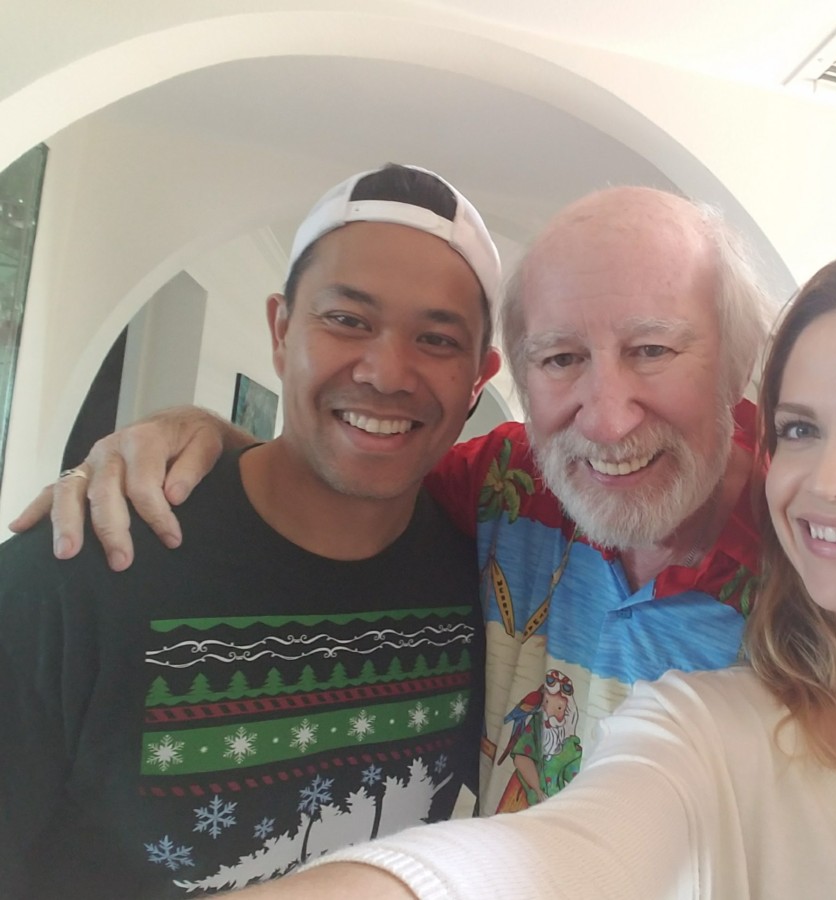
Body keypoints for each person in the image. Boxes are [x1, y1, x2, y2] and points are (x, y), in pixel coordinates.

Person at [232, 252, 836, 899]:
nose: (830, 478)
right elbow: (543, 859)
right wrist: (217, 464)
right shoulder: (706, 721)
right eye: (801, 429)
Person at [14, 186, 777, 817]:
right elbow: (351, 476)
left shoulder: (809, 555)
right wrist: (200, 439)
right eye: (560, 357)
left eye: (653, 349)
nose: (607, 420)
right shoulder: (511, 484)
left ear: (736, 358)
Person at [0, 163, 503, 897]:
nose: (387, 372)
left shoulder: (484, 590)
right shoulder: (71, 573)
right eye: (348, 320)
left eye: (437, 339)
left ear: (480, 378)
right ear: (281, 329)